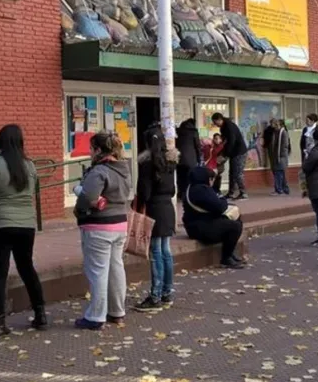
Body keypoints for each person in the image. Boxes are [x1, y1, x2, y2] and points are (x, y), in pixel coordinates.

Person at [0, 125, 46, 341]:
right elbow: (32, 192)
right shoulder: (30, 166)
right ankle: (40, 314)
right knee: (27, 267)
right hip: (26, 224)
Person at [74, 131, 131, 330]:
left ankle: (95, 317)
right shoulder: (124, 169)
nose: (89, 152)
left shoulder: (99, 171)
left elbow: (88, 197)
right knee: (116, 268)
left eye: (91, 148)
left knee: (97, 271)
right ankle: (117, 311)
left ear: (98, 150)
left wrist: (79, 194)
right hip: (120, 224)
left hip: (98, 227)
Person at [133, 125, 177, 312]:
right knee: (166, 251)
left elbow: (145, 192)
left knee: (156, 252)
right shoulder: (170, 162)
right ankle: (167, 292)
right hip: (168, 208)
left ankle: (155, 295)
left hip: (155, 209)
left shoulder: (147, 164)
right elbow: (173, 189)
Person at [183, 166, 245, 269]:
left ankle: (230, 253)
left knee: (233, 219)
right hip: (200, 228)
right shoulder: (201, 190)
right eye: (211, 178)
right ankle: (226, 258)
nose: (212, 181)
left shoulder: (192, 187)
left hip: (197, 224)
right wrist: (223, 201)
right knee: (235, 226)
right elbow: (219, 207)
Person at [212, 112, 248, 200]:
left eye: (215, 122)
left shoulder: (229, 126)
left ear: (219, 119)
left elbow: (231, 141)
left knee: (238, 173)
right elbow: (225, 142)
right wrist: (222, 153)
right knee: (232, 173)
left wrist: (225, 155)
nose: (215, 125)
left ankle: (243, 193)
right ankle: (231, 193)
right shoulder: (223, 128)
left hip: (239, 152)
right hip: (233, 153)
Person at [175, 118, 200, 200]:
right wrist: (199, 159)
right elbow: (197, 146)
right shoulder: (194, 132)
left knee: (181, 177)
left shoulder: (178, 131)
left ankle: (181, 193)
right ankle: (188, 194)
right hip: (191, 159)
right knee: (190, 177)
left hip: (179, 158)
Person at [267, 119, 291, 195]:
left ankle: (278, 190)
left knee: (278, 174)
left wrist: (280, 156)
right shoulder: (275, 132)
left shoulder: (283, 133)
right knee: (281, 174)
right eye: (275, 124)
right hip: (276, 156)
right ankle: (285, 189)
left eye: (277, 125)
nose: (275, 126)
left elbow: (285, 146)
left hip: (280, 157)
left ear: (281, 125)